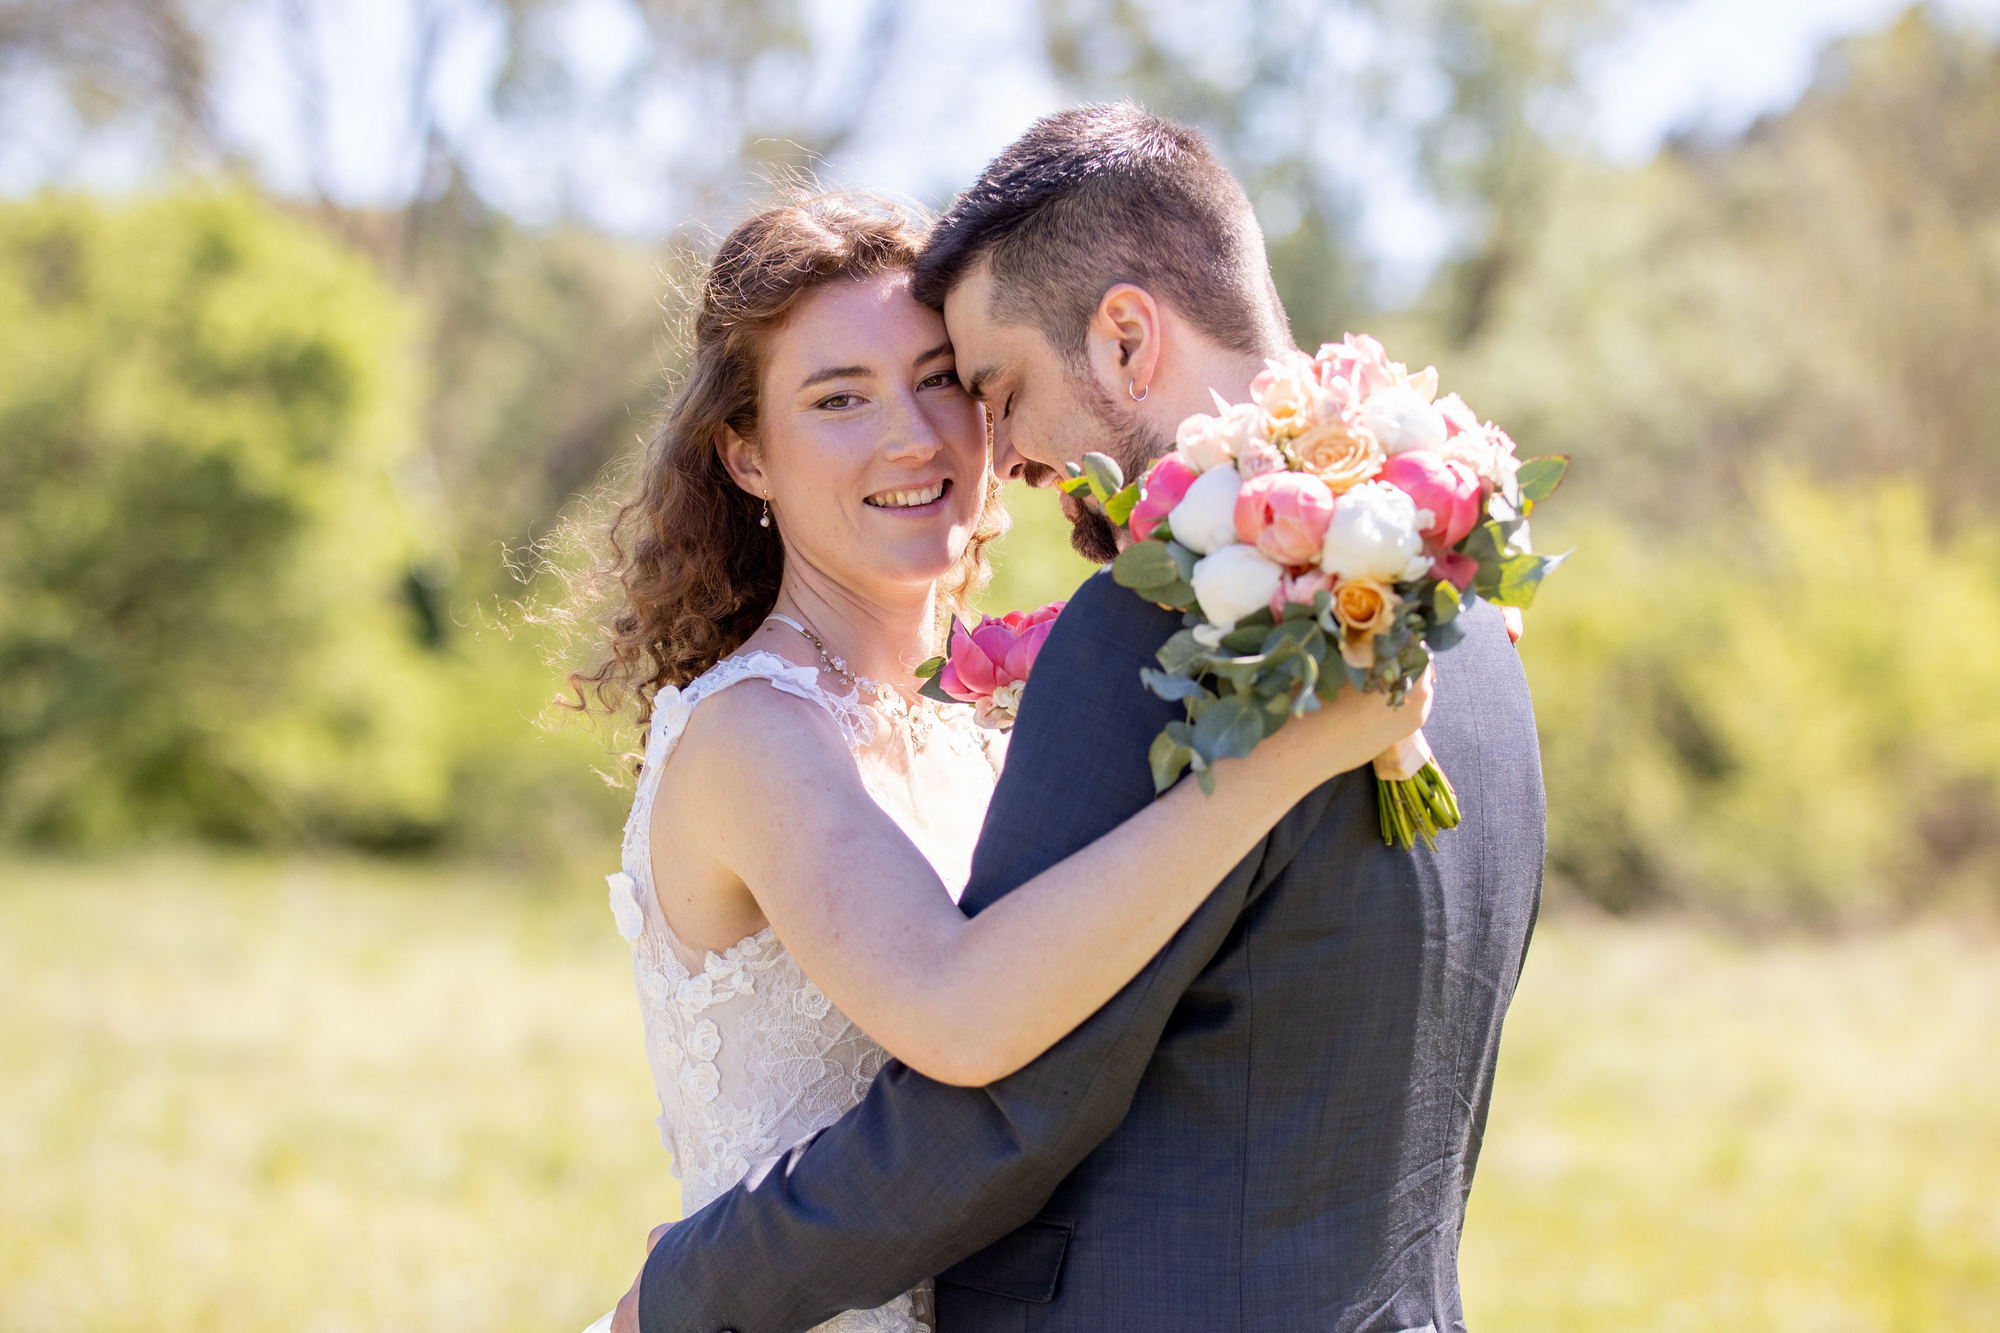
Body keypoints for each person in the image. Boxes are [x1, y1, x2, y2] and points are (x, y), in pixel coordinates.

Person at [620, 104, 1546, 1333]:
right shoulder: (1452, 619)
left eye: (959, 382)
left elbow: (1011, 1102)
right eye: (838, 398)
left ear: (1120, 340)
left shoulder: (1137, 662)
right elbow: (979, 1039)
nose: (966, 441)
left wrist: (691, 1286)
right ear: (746, 458)